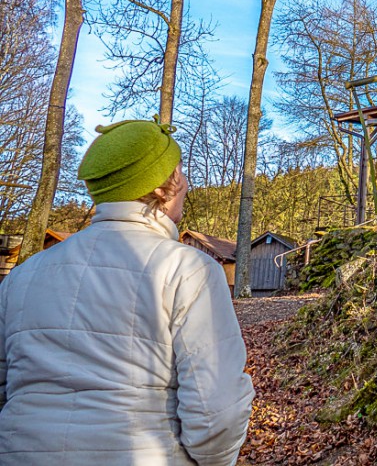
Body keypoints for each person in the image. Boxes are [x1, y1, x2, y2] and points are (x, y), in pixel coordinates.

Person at [0, 118, 254, 466]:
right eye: (180, 173)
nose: (186, 184)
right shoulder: (187, 269)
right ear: (165, 188)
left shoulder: (21, 277)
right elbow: (216, 414)